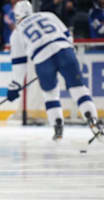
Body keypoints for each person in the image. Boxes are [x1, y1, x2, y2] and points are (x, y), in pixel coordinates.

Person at [6, 1, 104, 141]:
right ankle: (93, 120)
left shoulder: (17, 33)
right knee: (78, 89)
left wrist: (15, 85)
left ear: (17, 16)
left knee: (50, 94)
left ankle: (58, 126)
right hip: (64, 50)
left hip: (42, 59)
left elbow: (19, 63)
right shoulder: (48, 15)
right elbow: (68, 36)